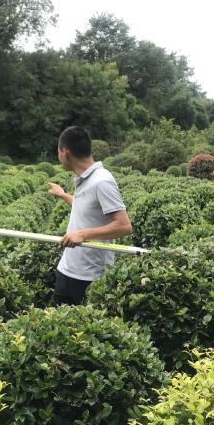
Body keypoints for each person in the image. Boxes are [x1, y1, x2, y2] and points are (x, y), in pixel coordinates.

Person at [47, 126, 133, 305]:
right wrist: (63, 194)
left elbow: (124, 226)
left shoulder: (101, 181)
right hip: (67, 269)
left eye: (58, 151)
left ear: (65, 152)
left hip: (88, 277)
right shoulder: (85, 178)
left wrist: (83, 234)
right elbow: (86, 208)